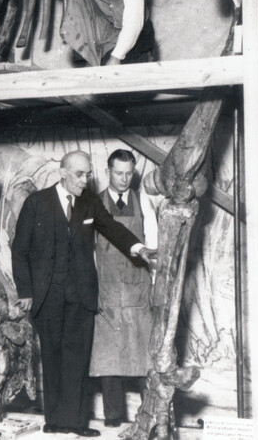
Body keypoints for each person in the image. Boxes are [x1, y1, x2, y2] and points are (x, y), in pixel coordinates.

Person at [11, 151, 157, 437]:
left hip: (81, 296)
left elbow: (113, 228)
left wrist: (139, 248)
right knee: (52, 359)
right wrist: (25, 291)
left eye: (88, 174)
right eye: (80, 174)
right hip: (46, 297)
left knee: (77, 361)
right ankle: (54, 421)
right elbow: (20, 250)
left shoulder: (90, 202)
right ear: (63, 173)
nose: (85, 180)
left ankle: (77, 424)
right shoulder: (37, 203)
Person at [89, 149, 157, 427]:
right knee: (109, 359)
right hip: (106, 292)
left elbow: (153, 248)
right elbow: (89, 251)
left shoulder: (143, 202)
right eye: (118, 173)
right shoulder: (95, 204)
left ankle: (150, 415)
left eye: (129, 173)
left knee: (145, 359)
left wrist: (153, 288)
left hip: (138, 293)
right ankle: (113, 418)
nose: (124, 178)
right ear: (108, 172)